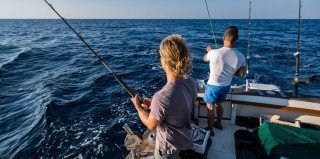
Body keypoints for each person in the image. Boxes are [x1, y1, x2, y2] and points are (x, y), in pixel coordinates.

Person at [131, 34, 198, 159]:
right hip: (184, 140)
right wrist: (154, 104)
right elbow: (178, 104)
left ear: (165, 61)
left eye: (160, 56)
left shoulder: (162, 97)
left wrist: (139, 107)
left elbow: (151, 125)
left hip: (168, 148)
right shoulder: (191, 81)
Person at [203, 26, 246, 136]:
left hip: (213, 86)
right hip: (226, 86)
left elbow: (204, 58)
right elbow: (241, 74)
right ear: (236, 40)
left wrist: (209, 51)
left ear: (224, 38)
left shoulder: (214, 53)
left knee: (210, 107)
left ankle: (210, 130)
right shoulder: (241, 57)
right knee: (219, 104)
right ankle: (219, 124)